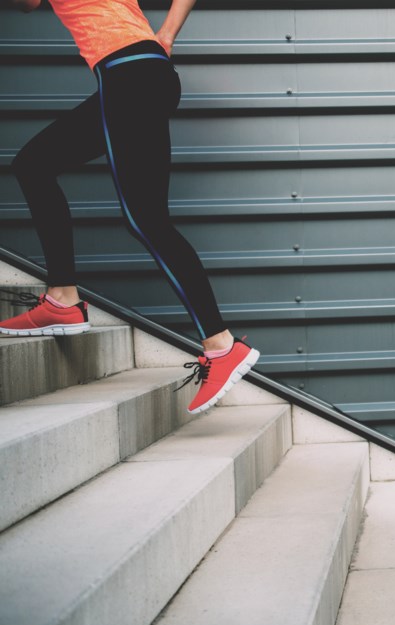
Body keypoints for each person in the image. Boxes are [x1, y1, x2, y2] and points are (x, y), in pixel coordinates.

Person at [0, 0, 259, 414]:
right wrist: (168, 34)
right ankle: (63, 299)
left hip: (126, 73)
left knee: (146, 220)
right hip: (147, 69)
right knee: (35, 165)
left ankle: (221, 343)